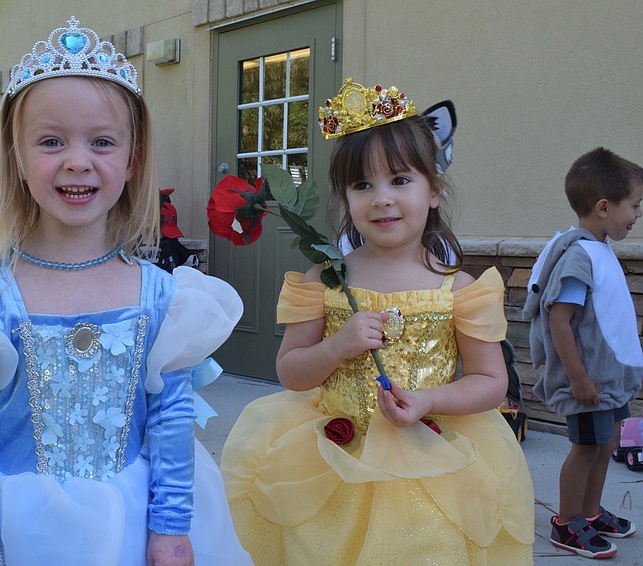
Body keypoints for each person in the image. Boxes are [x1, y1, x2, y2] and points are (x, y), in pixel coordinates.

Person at [0, 17, 252, 566]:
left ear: (131, 160)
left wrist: (171, 527)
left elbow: (171, 419)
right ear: (18, 159)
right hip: (13, 527)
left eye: (101, 141)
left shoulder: (165, 298)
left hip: (129, 528)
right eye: (51, 141)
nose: (78, 160)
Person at [220, 79, 535, 564]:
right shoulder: (325, 279)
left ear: (435, 191)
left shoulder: (462, 290)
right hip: (328, 462)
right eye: (362, 185)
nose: (381, 198)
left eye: (400, 180)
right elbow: (290, 371)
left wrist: (430, 399)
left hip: (432, 468)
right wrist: (336, 347)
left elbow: (492, 382)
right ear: (344, 197)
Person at [524, 147, 643, 559]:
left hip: (609, 381)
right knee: (586, 448)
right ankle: (566, 523)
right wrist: (578, 379)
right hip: (589, 380)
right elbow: (560, 320)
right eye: (635, 205)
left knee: (607, 443)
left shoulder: (600, 248)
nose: (637, 214)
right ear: (604, 207)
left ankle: (590, 514)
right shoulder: (578, 256)